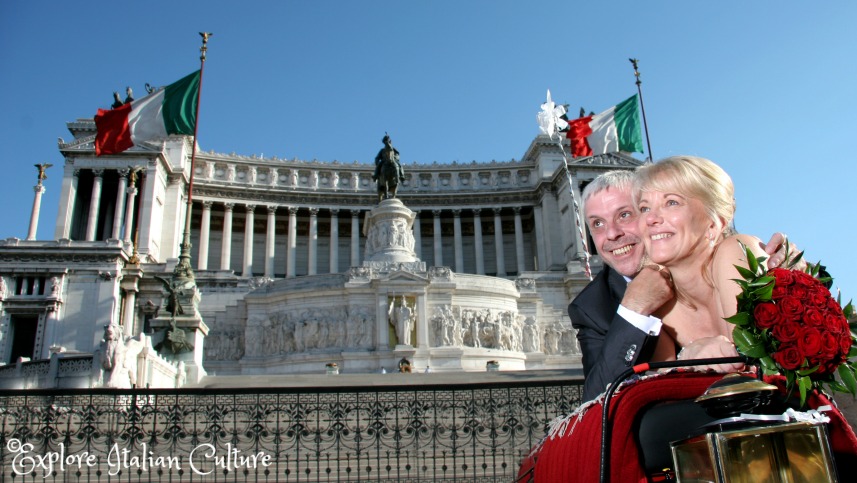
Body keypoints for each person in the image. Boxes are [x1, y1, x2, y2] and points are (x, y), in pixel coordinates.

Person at [570, 169, 796, 401]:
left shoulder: (729, 254)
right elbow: (595, 401)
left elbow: (761, 364)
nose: (612, 234)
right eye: (597, 223)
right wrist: (632, 311)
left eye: (625, 215)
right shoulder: (591, 307)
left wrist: (788, 279)